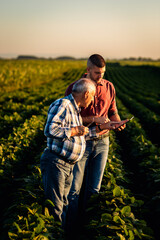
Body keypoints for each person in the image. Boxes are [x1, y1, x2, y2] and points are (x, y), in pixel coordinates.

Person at [40, 78, 119, 229]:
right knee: (56, 208)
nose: (93, 100)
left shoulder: (75, 110)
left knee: (63, 205)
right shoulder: (63, 104)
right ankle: (55, 233)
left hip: (67, 165)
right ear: (86, 94)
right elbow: (49, 130)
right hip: (56, 163)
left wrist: (103, 127)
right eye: (92, 96)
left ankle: (63, 233)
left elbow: (81, 134)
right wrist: (75, 130)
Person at [65, 54, 126, 233]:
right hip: (82, 142)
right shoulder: (75, 88)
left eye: (103, 73)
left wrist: (117, 122)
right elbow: (70, 119)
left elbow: (113, 110)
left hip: (102, 142)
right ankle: (71, 229)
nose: (100, 76)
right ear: (88, 70)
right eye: (97, 73)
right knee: (74, 189)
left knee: (94, 188)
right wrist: (96, 119)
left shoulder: (109, 87)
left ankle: (89, 228)